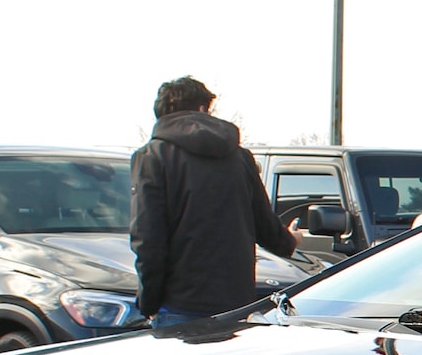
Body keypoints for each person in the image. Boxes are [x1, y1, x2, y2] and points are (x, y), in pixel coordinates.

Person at [129, 77, 301, 326]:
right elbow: (265, 226)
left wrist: (148, 303)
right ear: (202, 108)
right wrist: (290, 241)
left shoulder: (152, 156)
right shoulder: (239, 156)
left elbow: (148, 239)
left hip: (178, 303)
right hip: (236, 302)